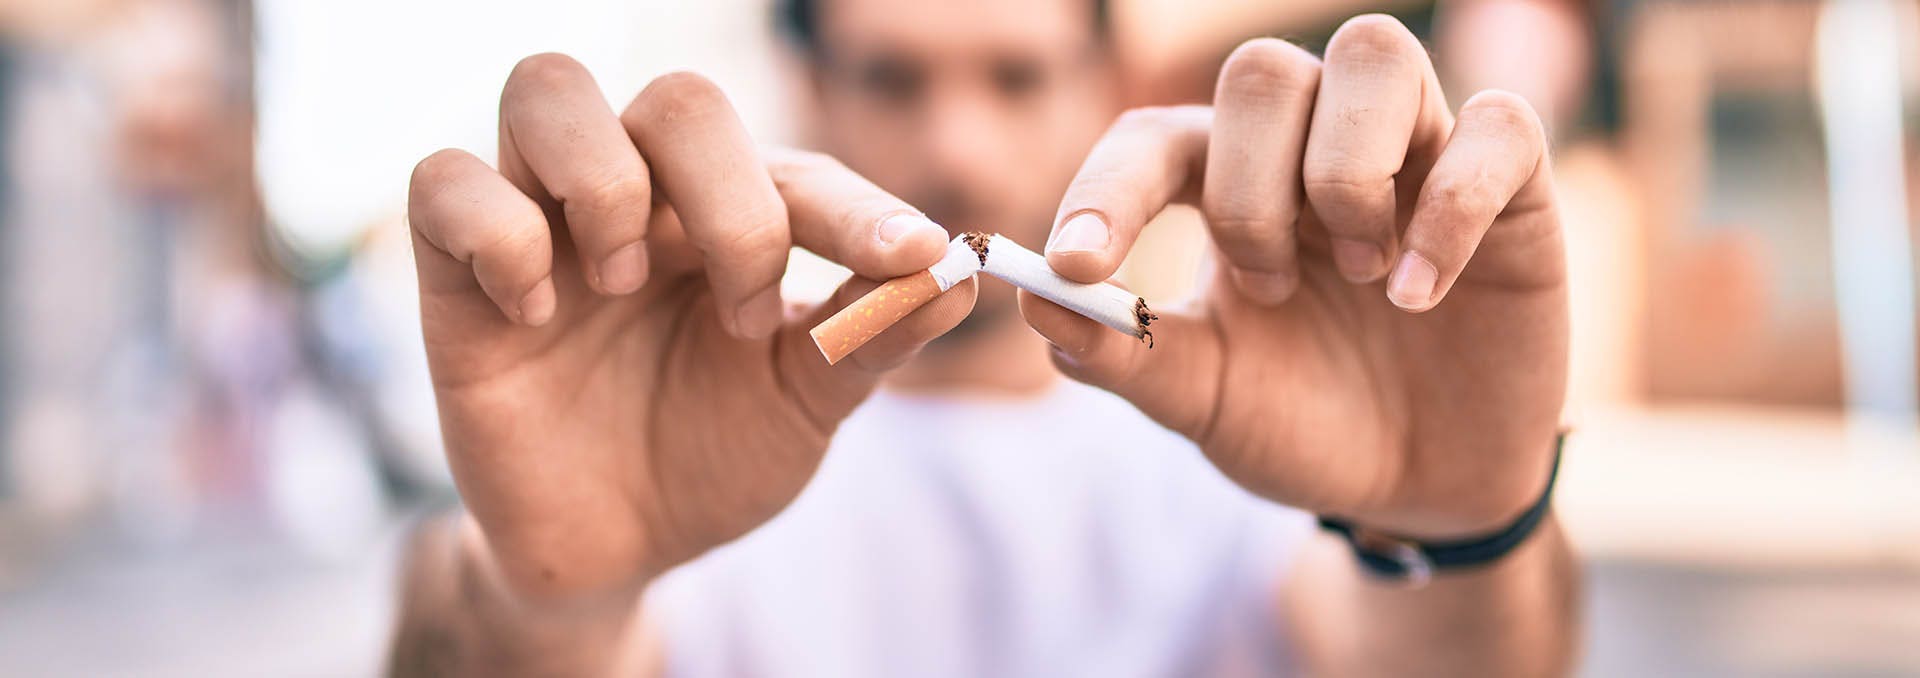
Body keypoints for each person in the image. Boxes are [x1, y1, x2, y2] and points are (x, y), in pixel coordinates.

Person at [388, 0, 1578, 675]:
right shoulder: (694, 443)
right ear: (805, 80)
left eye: (1013, 77)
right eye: (896, 78)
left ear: (1104, 78)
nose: (956, 148)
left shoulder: (1249, 441)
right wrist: (550, 602)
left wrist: (1457, 522)